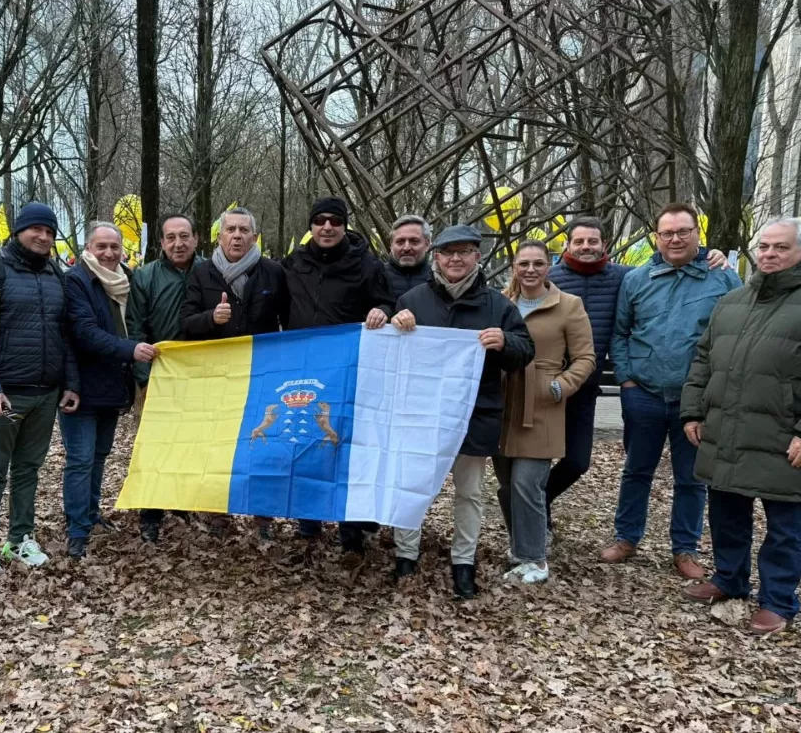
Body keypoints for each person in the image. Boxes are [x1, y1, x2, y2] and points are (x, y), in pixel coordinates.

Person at [679, 218, 801, 633]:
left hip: (784, 435)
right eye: (763, 246)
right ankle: (730, 579)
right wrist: (692, 411)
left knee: (783, 525)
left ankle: (779, 600)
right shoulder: (734, 300)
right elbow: (704, 359)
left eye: (780, 247)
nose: (769, 254)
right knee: (726, 514)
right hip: (726, 429)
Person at [546, 217, 730, 527]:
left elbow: (670, 267)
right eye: (579, 241)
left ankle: (535, 499)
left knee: (577, 462)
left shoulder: (625, 277)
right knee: (538, 460)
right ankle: (533, 513)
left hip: (585, 387)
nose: (586, 247)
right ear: (567, 244)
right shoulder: (549, 278)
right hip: (546, 385)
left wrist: (710, 254)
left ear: (605, 245)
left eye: (593, 241)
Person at [390, 225, 534, 598]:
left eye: (464, 251)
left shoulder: (498, 305)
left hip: (474, 413)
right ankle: (406, 553)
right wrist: (396, 322)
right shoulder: (412, 300)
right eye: (448, 252)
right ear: (435, 256)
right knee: (412, 485)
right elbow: (389, 354)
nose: (455, 258)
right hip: (419, 415)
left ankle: (463, 561)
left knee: (469, 492)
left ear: (477, 256)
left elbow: (525, 350)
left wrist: (505, 342)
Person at [602, 202, 741, 579]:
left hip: (695, 400)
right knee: (636, 470)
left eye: (684, 231)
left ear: (698, 233)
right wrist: (627, 381)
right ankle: (627, 537)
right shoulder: (637, 279)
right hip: (643, 394)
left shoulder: (723, 279)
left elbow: (739, 334)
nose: (675, 239)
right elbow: (620, 333)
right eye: (668, 233)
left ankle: (685, 549)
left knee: (691, 478)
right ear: (656, 238)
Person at [0, 202, 81, 579]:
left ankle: (20, 537)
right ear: (18, 231)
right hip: (7, 397)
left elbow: (66, 334)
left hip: (45, 395)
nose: (43, 237)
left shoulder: (56, 274)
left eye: (49, 231)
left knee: (29, 467)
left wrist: (71, 382)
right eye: (36, 230)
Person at [282, 196, 396, 552]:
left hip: (351, 374)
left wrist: (381, 309)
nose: (327, 227)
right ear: (310, 226)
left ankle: (350, 525)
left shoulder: (367, 264)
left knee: (345, 448)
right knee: (305, 443)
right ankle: (308, 521)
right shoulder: (292, 264)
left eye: (334, 220)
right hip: (304, 371)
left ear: (344, 225)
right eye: (319, 221)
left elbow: (388, 301)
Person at [179, 207, 289, 541]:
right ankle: (218, 515)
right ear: (220, 235)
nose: (237, 236)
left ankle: (263, 518)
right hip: (217, 376)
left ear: (255, 237)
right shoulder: (202, 272)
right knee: (217, 444)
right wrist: (212, 318)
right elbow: (185, 322)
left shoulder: (273, 271)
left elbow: (290, 321)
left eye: (244, 230)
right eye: (231, 230)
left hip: (263, 375)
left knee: (263, 444)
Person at [493, 241, 594, 584]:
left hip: (541, 403)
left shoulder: (568, 305)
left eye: (538, 263)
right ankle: (519, 546)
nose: (531, 269)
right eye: (524, 263)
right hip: (503, 400)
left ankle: (535, 559)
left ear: (549, 266)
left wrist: (560, 387)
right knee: (507, 485)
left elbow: (585, 358)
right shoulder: (501, 302)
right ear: (514, 266)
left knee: (527, 483)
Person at [61, 222, 158, 558]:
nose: (108, 253)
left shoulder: (127, 280)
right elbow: (84, 332)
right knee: (80, 459)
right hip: (81, 386)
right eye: (101, 246)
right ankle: (76, 529)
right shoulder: (76, 281)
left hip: (113, 386)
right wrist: (129, 349)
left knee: (99, 457)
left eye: (114, 247)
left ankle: (89, 514)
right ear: (88, 248)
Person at [128, 213, 199, 540]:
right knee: (156, 445)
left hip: (202, 376)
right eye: (171, 237)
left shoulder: (208, 272)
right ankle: (151, 511)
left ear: (196, 239)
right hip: (159, 375)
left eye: (184, 236)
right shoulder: (145, 277)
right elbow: (136, 327)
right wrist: (144, 376)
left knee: (191, 442)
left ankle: (182, 501)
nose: (178, 243)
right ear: (162, 243)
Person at [385, 214, 433, 298]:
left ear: (427, 244)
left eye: (414, 241)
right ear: (391, 245)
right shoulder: (376, 276)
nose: (406, 248)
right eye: (400, 242)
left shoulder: (439, 279)